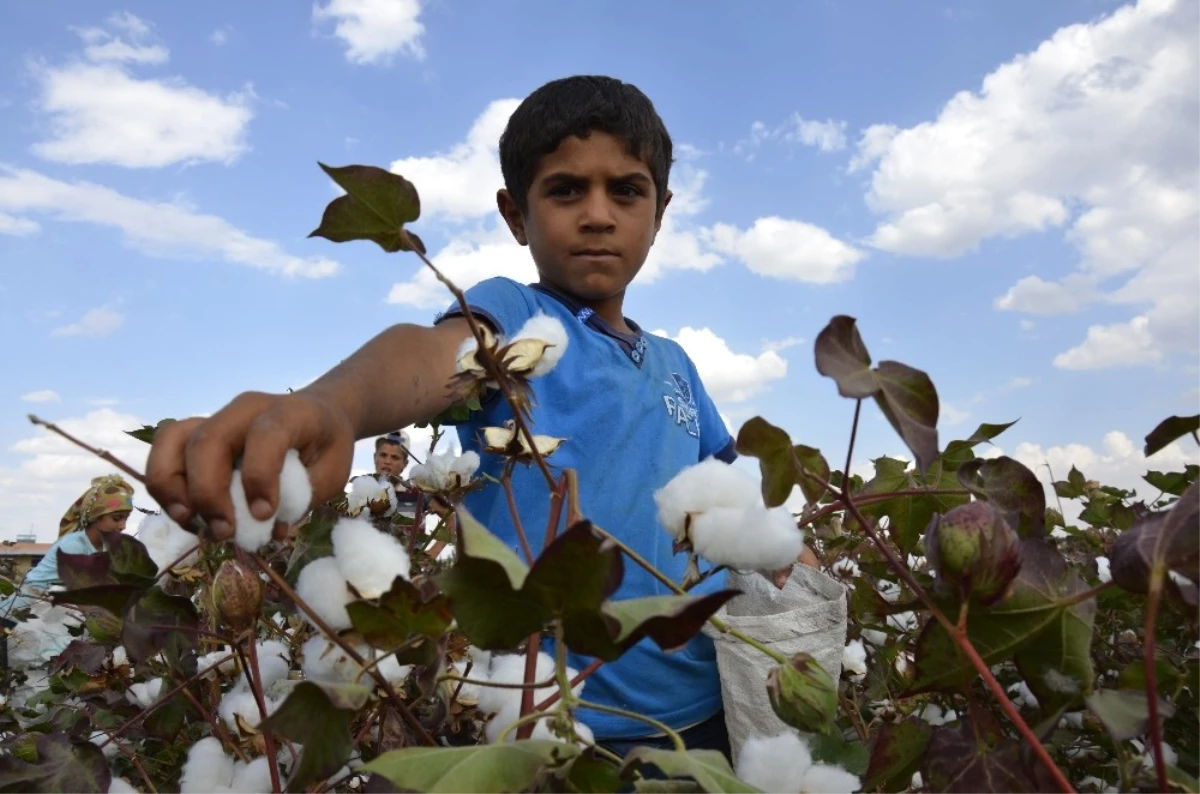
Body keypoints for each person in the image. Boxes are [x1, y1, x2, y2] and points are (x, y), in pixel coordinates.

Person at [144, 75, 812, 759]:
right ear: (515, 214)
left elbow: (733, 488)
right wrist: (334, 405)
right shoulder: (519, 317)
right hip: (547, 725)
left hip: (701, 713)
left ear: (660, 211)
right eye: (565, 190)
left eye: (626, 191)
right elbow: (433, 354)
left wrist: (788, 546)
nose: (598, 214)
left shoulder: (676, 365)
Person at [1, 474, 134, 616]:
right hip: (27, 606)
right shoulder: (73, 545)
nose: (123, 526)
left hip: (55, 608)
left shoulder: (107, 547)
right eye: (116, 518)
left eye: (126, 519)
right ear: (95, 517)